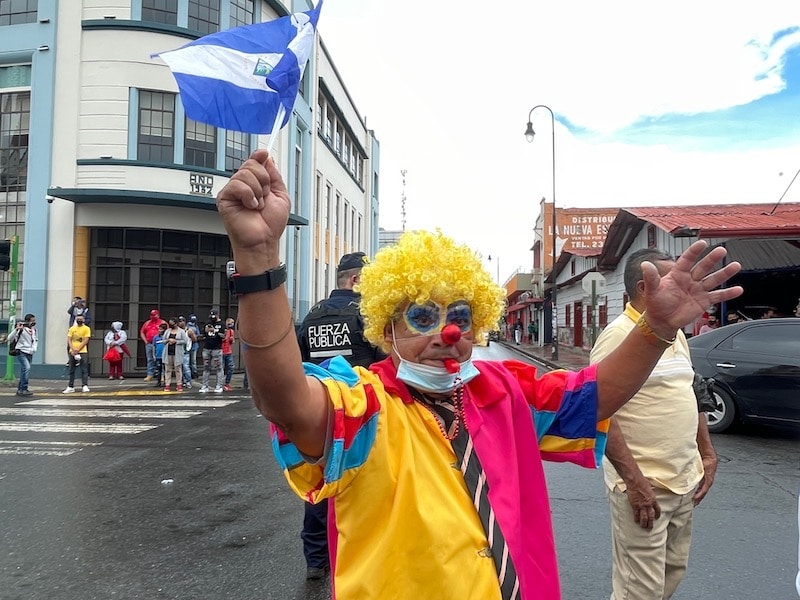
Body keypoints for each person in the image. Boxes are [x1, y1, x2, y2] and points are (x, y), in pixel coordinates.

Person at [215, 150, 742, 599]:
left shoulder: (505, 388)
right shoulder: (363, 404)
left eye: (461, 317)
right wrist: (258, 258)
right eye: (423, 317)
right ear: (388, 326)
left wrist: (652, 329)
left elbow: (593, 397)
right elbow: (282, 397)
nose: (448, 333)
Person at [590, 248, 718, 600]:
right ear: (643, 287)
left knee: (669, 577)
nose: (682, 284)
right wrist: (633, 481)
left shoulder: (673, 332)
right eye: (670, 279)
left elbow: (688, 390)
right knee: (639, 591)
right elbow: (600, 410)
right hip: (646, 485)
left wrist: (706, 453)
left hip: (683, 482)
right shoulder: (619, 335)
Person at [295, 251, 388, 580]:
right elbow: (384, 365)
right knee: (363, 483)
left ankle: (316, 559)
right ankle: (360, 555)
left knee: (322, 482)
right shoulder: (366, 315)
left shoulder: (312, 314)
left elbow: (298, 363)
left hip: (320, 412)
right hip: (360, 411)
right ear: (357, 280)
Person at [7, 313, 38, 397]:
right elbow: (9, 338)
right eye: (32, 321)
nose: (34, 322)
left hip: (30, 352)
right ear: (27, 321)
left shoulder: (34, 330)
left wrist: (34, 349)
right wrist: (17, 329)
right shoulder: (21, 329)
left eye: (34, 320)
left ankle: (20, 389)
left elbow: (35, 340)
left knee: (24, 370)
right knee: (26, 368)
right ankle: (24, 388)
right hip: (21, 351)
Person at [64, 314, 91, 393]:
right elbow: (69, 339)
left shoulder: (86, 328)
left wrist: (78, 349)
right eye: (78, 319)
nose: (79, 320)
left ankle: (85, 385)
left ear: (83, 320)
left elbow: (86, 340)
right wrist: (72, 349)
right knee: (71, 369)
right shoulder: (72, 329)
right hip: (72, 352)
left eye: (81, 319)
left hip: (83, 351)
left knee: (84, 369)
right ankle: (70, 386)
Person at [199, 310, 225, 393]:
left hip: (217, 348)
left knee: (219, 367)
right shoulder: (207, 323)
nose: (212, 318)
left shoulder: (222, 324)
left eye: (214, 316)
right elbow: (202, 335)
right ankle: (204, 386)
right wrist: (204, 332)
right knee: (206, 367)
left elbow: (223, 336)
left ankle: (219, 385)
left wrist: (214, 331)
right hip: (207, 348)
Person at [161, 317, 188, 392]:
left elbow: (185, 341)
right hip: (168, 352)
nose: (171, 325)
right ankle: (167, 384)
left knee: (178, 369)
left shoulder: (181, 331)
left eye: (172, 323)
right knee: (167, 369)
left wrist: (176, 341)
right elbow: (163, 340)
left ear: (176, 323)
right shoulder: (167, 331)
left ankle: (179, 384)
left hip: (177, 353)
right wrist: (168, 340)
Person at [140, 309, 167, 381]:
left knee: (161, 359)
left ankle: (162, 375)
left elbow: (167, 331)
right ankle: (150, 374)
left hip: (160, 343)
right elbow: (142, 332)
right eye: (151, 315)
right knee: (150, 359)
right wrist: (145, 341)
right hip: (149, 343)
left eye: (154, 315)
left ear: (158, 315)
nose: (152, 316)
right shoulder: (147, 323)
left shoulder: (162, 322)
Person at [177, 316, 196, 389]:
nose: (180, 323)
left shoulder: (189, 330)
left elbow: (194, 339)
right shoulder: (177, 330)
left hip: (185, 351)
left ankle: (188, 381)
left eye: (182, 321)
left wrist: (190, 339)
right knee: (179, 367)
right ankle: (182, 381)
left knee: (186, 367)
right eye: (179, 321)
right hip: (178, 351)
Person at [222, 317, 236, 391]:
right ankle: (221, 383)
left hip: (228, 351)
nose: (231, 324)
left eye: (233, 323)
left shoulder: (231, 331)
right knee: (221, 368)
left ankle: (227, 382)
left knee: (231, 367)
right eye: (230, 322)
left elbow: (232, 341)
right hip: (221, 351)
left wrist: (231, 339)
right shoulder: (223, 330)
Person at [152, 323, 168, 387]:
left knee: (166, 369)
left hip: (165, 356)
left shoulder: (166, 337)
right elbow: (153, 346)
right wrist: (153, 355)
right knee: (158, 369)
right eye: (159, 329)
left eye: (161, 329)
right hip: (158, 355)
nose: (159, 330)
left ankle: (165, 381)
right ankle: (158, 381)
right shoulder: (156, 337)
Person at [186, 313, 201, 378]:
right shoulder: (187, 326)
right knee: (187, 360)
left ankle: (194, 372)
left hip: (194, 345)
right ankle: (188, 373)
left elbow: (198, 335)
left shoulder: (196, 326)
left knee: (193, 361)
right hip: (188, 345)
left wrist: (195, 336)